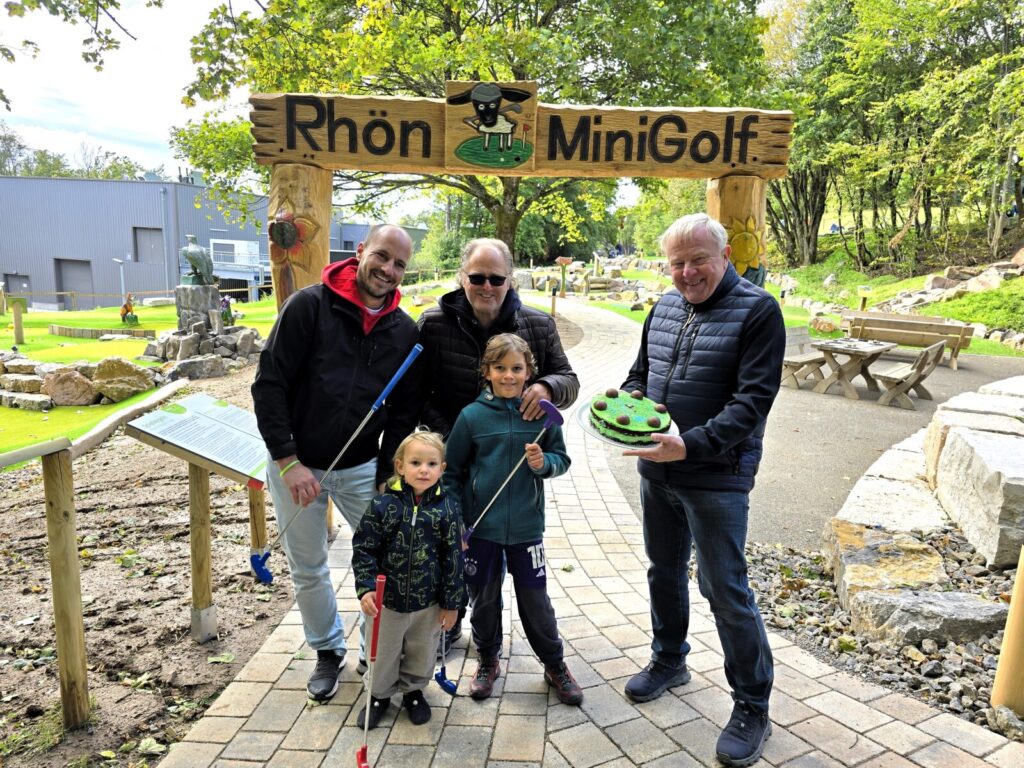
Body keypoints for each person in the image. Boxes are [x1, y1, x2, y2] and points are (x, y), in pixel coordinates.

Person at [620, 213, 785, 767]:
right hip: (658, 470)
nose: (687, 272)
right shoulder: (664, 306)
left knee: (724, 588)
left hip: (717, 477)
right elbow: (639, 374)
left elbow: (751, 403)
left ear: (726, 257)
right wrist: (629, 408)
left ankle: (752, 704)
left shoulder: (759, 311)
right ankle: (670, 660)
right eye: (678, 263)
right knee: (662, 570)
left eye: (698, 260)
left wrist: (688, 445)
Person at [252, 224, 422, 702]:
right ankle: (327, 651)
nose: (388, 270)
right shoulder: (308, 306)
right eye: (382, 256)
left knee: (387, 564)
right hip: (297, 467)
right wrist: (288, 460)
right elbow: (270, 384)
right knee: (308, 567)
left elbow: (404, 414)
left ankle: (377, 652)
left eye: (399, 264)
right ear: (362, 251)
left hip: (362, 469)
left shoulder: (404, 331)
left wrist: (393, 475)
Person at [418, 237, 579, 651]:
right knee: (455, 547)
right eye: (476, 277)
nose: (486, 285)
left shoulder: (538, 325)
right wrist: (452, 436)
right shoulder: (434, 322)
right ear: (462, 277)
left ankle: (540, 649)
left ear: (509, 280)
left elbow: (569, 380)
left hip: (508, 468)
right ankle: (453, 621)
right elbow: (419, 393)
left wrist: (545, 386)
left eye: (495, 277)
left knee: (514, 573)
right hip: (453, 450)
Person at [443, 333, 583, 706]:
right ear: (486, 371)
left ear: (529, 372)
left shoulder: (541, 415)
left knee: (536, 601)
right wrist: (456, 520)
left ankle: (554, 664)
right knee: (484, 598)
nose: (508, 376)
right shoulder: (471, 416)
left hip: (526, 528)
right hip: (481, 530)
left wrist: (544, 464)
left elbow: (561, 459)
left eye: (517, 368)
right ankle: (488, 658)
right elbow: (452, 472)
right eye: (500, 368)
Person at [351, 429, 465, 728]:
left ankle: (413, 690)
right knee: (383, 652)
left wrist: (451, 604)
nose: (423, 470)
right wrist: (365, 588)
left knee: (421, 649)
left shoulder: (448, 509)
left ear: (442, 468)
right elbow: (364, 548)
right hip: (387, 601)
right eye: (415, 463)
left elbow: (453, 557)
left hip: (427, 602)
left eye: (431, 464)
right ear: (400, 466)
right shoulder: (382, 506)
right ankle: (379, 695)